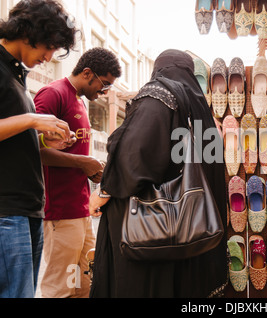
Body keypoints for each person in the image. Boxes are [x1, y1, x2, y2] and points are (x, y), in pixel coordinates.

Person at [89, 49, 228, 298]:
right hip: (191, 234)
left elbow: (135, 152)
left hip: (149, 238)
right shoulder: (199, 111)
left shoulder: (159, 95)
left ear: (158, 71)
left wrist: (105, 189)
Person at [0, 0, 77, 298]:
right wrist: (33, 119)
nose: (49, 56)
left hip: (28, 209)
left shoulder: (17, 74)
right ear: (30, 31)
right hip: (7, 211)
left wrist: (43, 137)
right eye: (50, 46)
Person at [33, 47, 122, 298]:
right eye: (104, 84)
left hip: (80, 209)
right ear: (87, 73)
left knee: (83, 287)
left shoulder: (80, 101)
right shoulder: (53, 94)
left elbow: (71, 155)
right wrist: (83, 164)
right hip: (59, 211)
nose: (104, 92)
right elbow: (34, 151)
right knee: (59, 288)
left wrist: (90, 169)